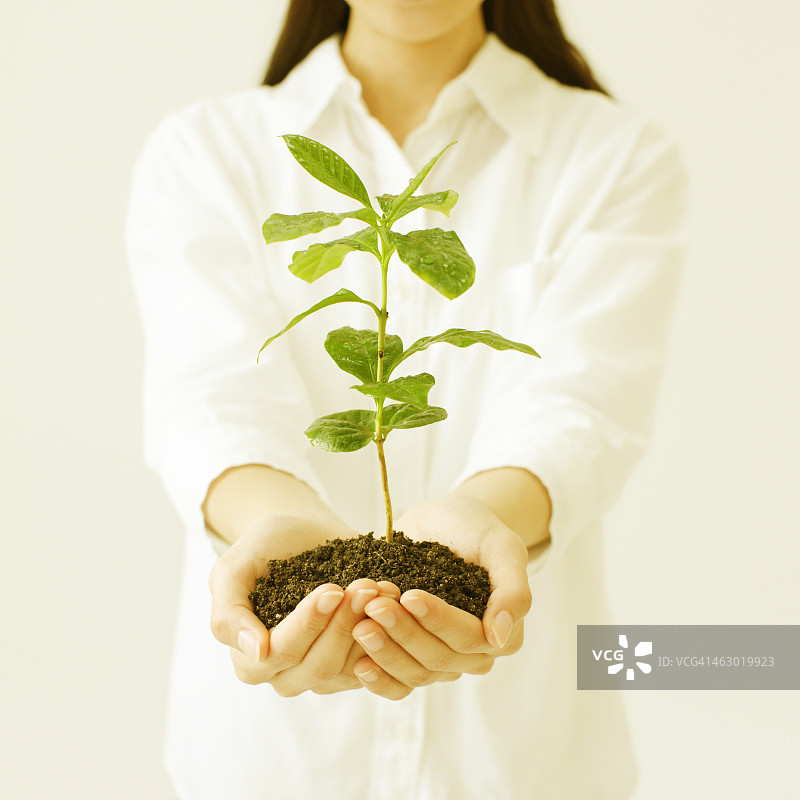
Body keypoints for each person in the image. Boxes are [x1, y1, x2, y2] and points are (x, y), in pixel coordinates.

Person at [125, 1, 688, 798]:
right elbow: (210, 399)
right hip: (270, 764)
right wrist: (276, 535)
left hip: (520, 762)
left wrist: (483, 522)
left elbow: (583, 407)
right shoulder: (209, 151)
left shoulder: (612, 155)